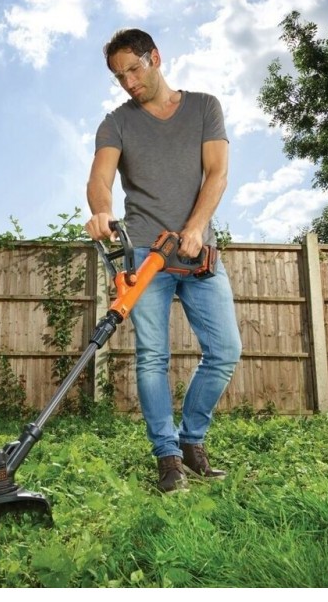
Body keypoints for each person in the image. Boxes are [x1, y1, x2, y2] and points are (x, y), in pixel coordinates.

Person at [85, 28, 242, 493]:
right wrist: (102, 211)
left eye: (134, 70)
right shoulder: (116, 123)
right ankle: (168, 458)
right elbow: (99, 180)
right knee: (152, 356)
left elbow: (217, 173)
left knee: (225, 351)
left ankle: (191, 441)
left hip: (198, 253)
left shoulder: (204, 108)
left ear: (155, 57)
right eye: (119, 77)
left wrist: (195, 228)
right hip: (147, 255)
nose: (129, 82)